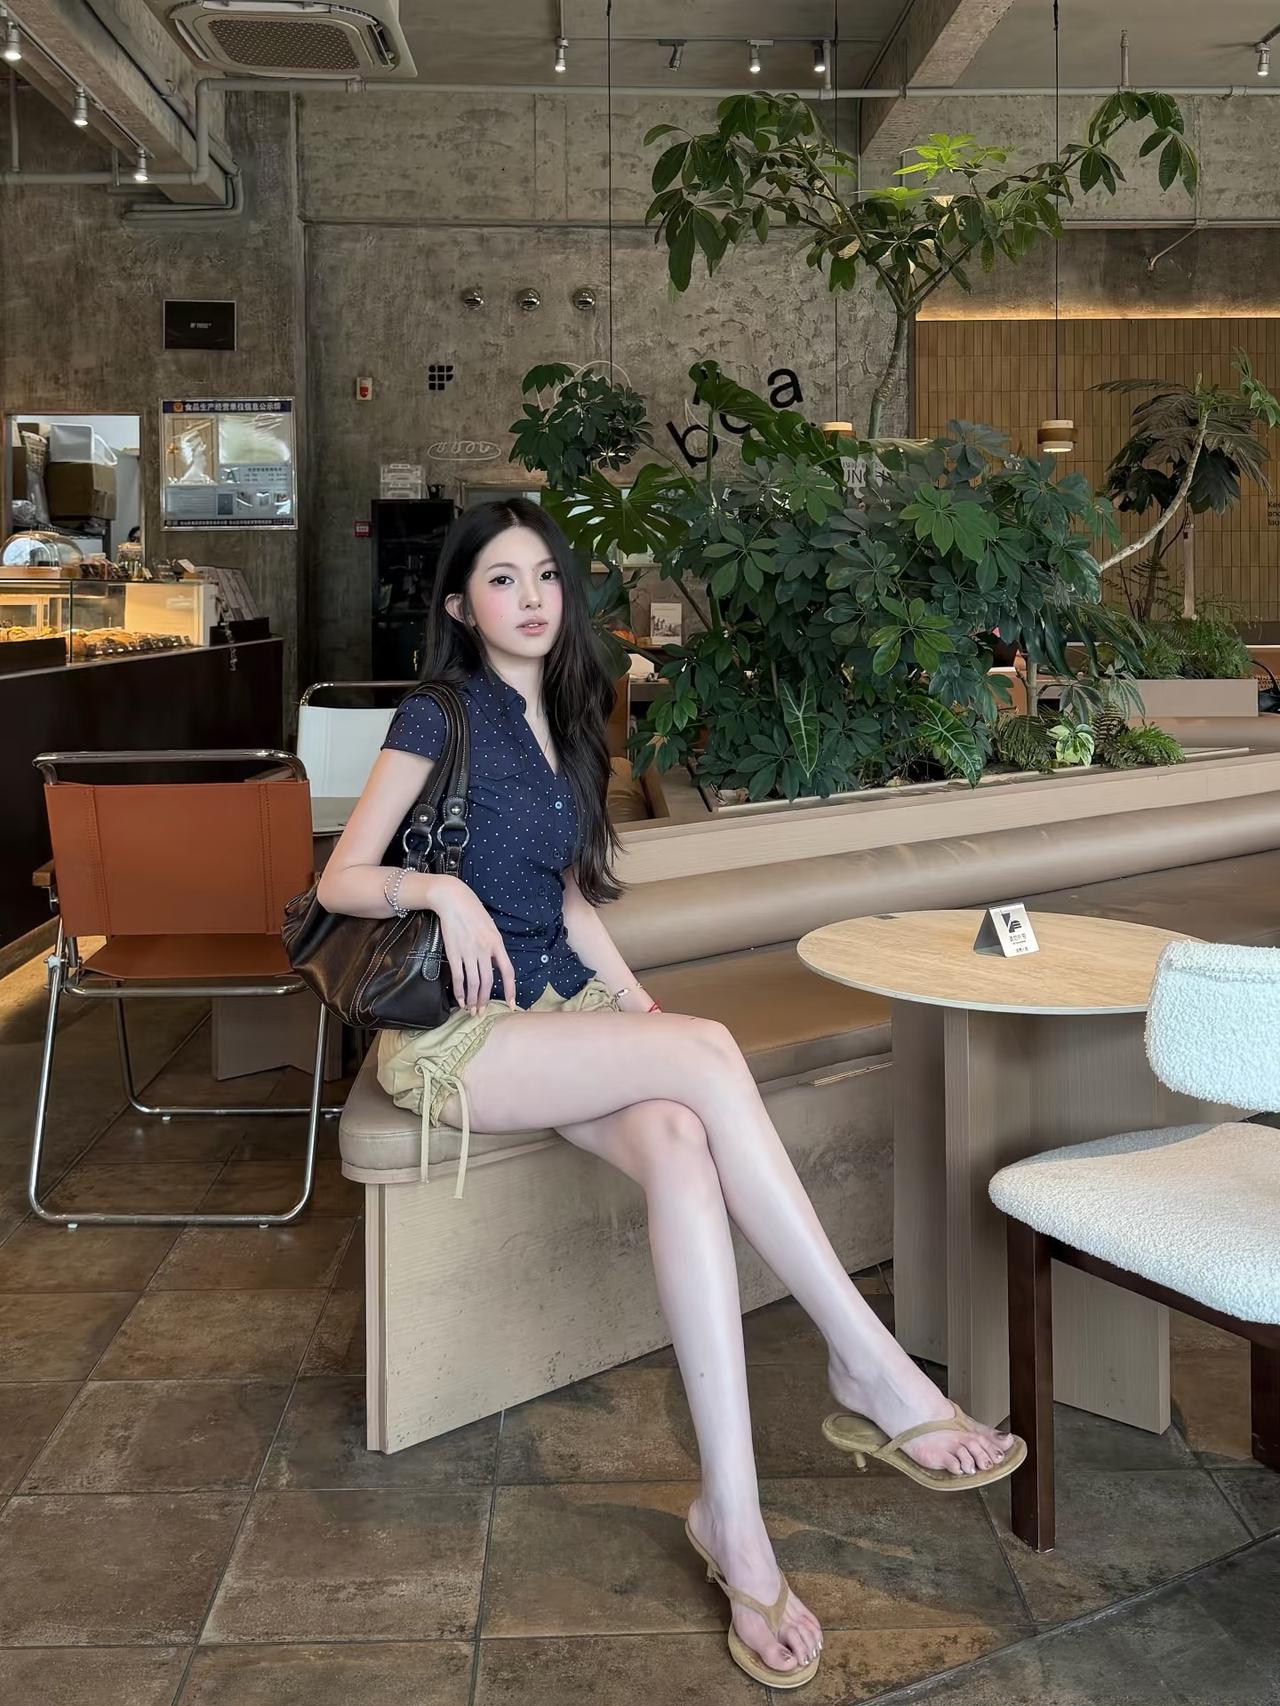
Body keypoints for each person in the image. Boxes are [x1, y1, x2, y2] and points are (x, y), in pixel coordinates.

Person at [317, 498, 1022, 1689]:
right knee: (706, 1054)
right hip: (458, 1034)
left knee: (684, 1144)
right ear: (459, 604)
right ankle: (869, 1364)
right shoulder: (437, 712)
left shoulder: (564, 717)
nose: (530, 597)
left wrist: (638, 1009)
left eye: (545, 575)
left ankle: (730, 1522)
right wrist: (439, 891)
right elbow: (341, 875)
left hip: (561, 1013)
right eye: (501, 579)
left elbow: (568, 901)